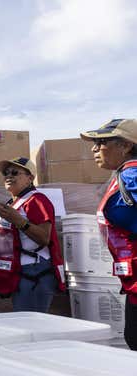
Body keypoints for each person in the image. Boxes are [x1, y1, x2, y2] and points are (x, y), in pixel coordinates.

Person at [0, 157, 66, 312]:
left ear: (30, 178)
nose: (9, 176)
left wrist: (18, 220)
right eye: (6, 173)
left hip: (34, 272)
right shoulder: (13, 203)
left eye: (15, 172)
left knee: (32, 325)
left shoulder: (36, 200)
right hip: (19, 270)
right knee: (23, 322)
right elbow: (10, 234)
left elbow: (44, 237)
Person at [80, 119, 137, 350]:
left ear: (125, 146)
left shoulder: (132, 177)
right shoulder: (124, 176)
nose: (94, 148)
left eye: (100, 142)